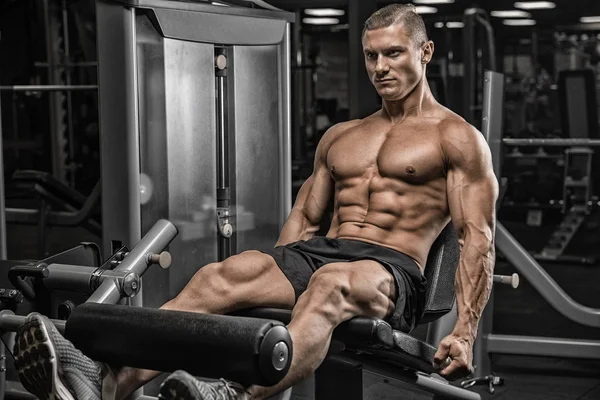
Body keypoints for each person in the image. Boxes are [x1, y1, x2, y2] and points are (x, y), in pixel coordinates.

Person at [14, 3, 498, 400]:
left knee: (330, 283)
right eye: (371, 56)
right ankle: (103, 381)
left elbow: (476, 237)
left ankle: (228, 394)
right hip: (322, 255)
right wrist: (274, 280)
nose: (380, 68)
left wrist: (465, 332)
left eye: (393, 54)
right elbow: (305, 219)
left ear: (425, 51)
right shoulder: (342, 136)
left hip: (391, 272)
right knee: (221, 275)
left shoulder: (455, 137)